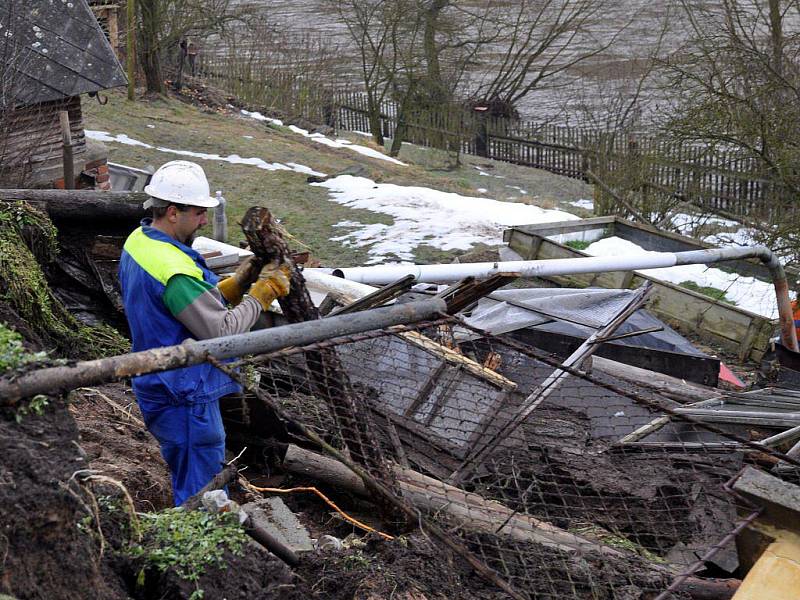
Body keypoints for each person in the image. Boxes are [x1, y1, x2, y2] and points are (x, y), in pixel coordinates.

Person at [118, 160, 290, 505]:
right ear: (171, 212)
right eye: (198, 212)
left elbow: (190, 306)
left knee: (189, 471)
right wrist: (260, 295)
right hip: (182, 393)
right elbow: (221, 332)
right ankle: (201, 549)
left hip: (161, 377)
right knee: (202, 487)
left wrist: (237, 284)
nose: (204, 220)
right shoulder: (173, 270)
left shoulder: (142, 241)